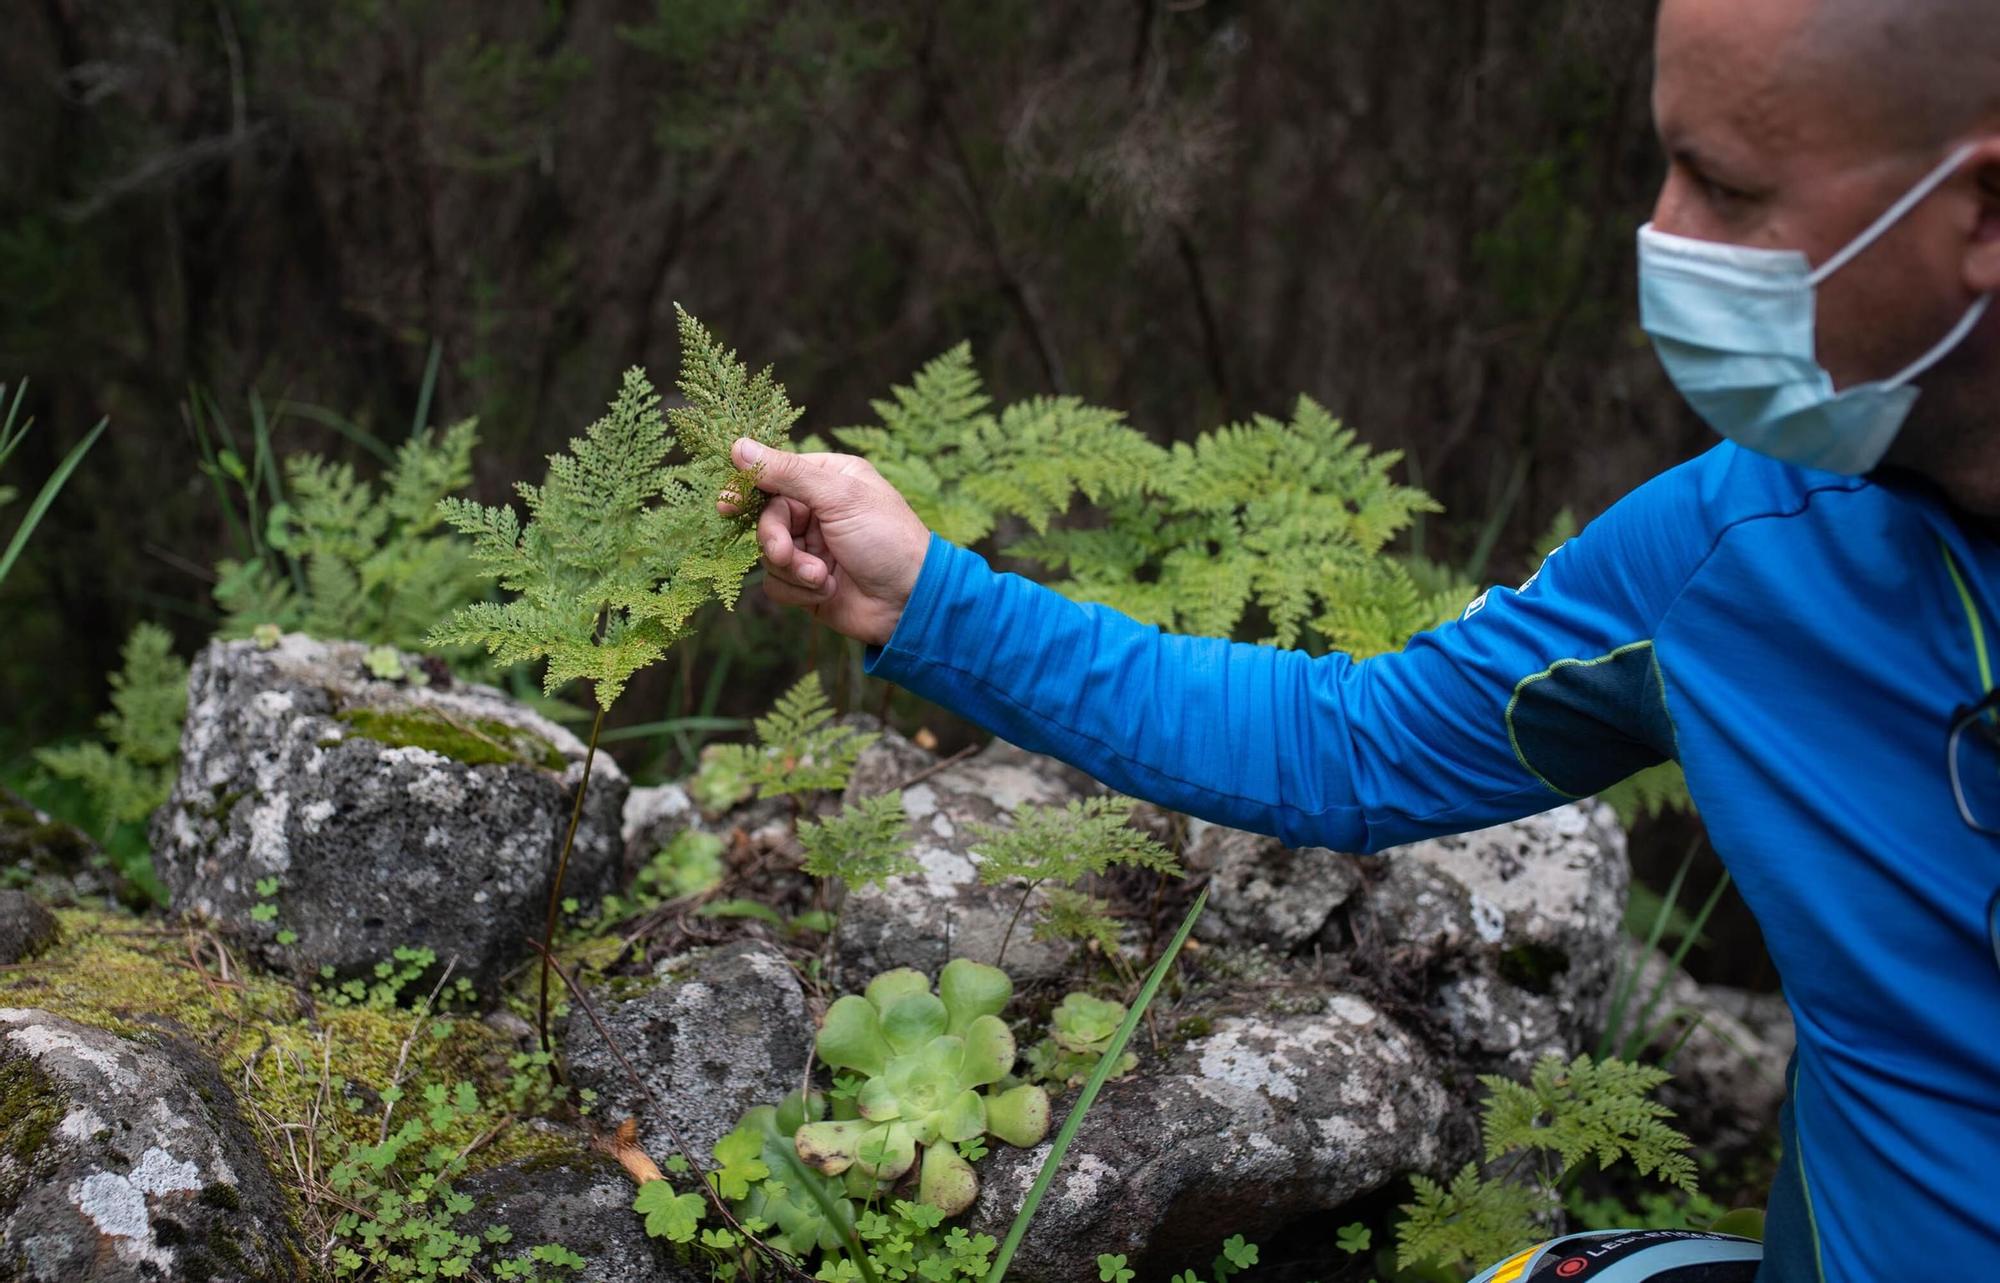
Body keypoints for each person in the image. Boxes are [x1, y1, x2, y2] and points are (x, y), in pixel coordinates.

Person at [715, 0, 2000, 1276]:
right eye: (1664, 162)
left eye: (1723, 186)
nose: (1660, 234)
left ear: (1982, 211)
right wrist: (928, 596)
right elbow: (1349, 742)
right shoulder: (1739, 547)